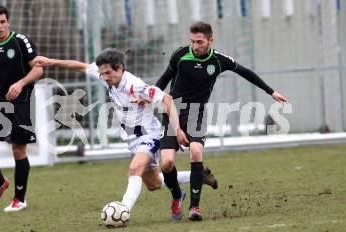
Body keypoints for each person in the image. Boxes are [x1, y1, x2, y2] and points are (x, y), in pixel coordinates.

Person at [33, 48, 217, 221]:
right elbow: (80, 66)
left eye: (108, 73)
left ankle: (123, 210)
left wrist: (177, 130)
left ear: (120, 68)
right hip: (132, 140)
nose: (104, 77)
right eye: (102, 73)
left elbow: (167, 100)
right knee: (153, 183)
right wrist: (50, 62)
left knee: (134, 168)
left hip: (149, 136)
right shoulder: (105, 76)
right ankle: (197, 176)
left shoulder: (134, 85)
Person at [155, 21, 288, 221]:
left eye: (199, 42)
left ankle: (194, 208)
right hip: (173, 113)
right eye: (192, 41)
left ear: (210, 40)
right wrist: (149, 96)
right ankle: (177, 197)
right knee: (166, 163)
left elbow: (245, 72)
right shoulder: (180, 55)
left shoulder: (219, 60)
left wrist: (271, 91)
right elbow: (163, 81)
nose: (195, 46)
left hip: (197, 115)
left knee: (196, 151)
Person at [0, 5, 43, 212]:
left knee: (18, 148)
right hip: (1, 100)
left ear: (8, 22)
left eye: (3, 22)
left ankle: (19, 199)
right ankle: (0, 182)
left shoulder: (21, 41)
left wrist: (20, 83)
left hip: (23, 99)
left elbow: (38, 69)